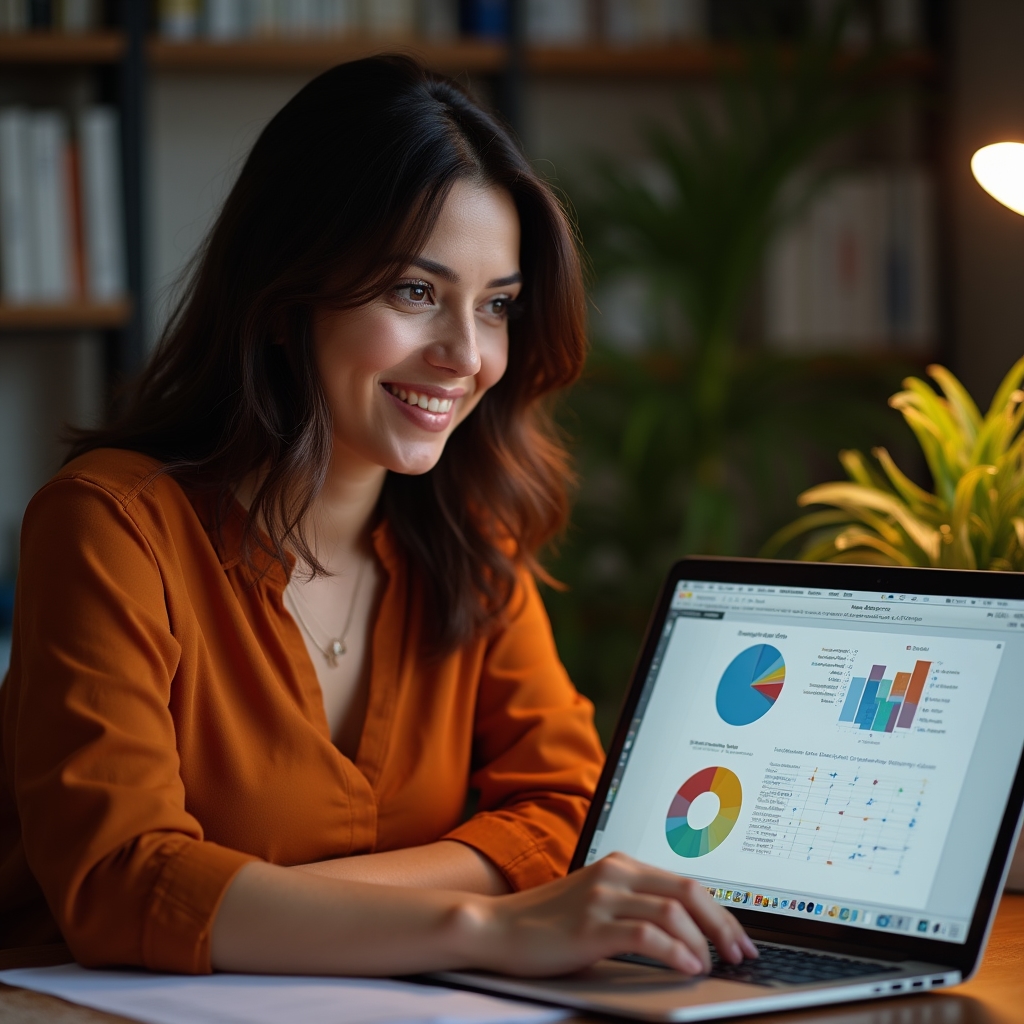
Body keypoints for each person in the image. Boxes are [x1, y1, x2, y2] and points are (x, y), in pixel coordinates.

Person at [0, 56, 756, 977]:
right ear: (286, 299)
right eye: (415, 292)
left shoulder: (475, 536)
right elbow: (122, 884)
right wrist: (489, 926)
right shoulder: (111, 527)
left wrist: (264, 903)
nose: (466, 355)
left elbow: (566, 811)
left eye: (498, 307)